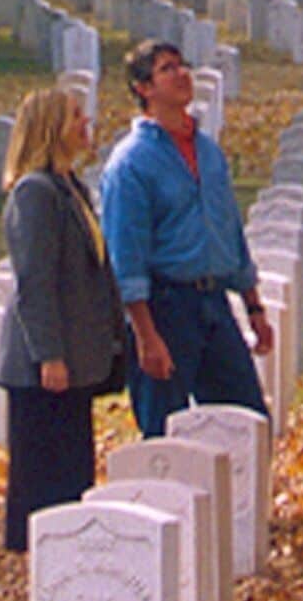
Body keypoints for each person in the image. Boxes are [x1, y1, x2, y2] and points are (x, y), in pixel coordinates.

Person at [101, 37, 274, 437]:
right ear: (144, 89)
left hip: (212, 301)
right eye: (167, 68)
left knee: (247, 424)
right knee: (164, 431)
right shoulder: (131, 163)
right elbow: (126, 255)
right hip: (165, 307)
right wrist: (146, 336)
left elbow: (230, 230)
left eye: (181, 65)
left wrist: (254, 306)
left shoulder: (209, 152)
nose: (181, 75)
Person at [0, 85, 125, 551]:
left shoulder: (72, 189)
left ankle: (67, 552)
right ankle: (35, 557)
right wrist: (49, 354)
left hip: (75, 356)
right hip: (43, 364)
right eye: (75, 117)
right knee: (40, 474)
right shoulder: (35, 193)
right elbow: (35, 280)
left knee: (72, 467)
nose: (86, 124)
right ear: (51, 128)